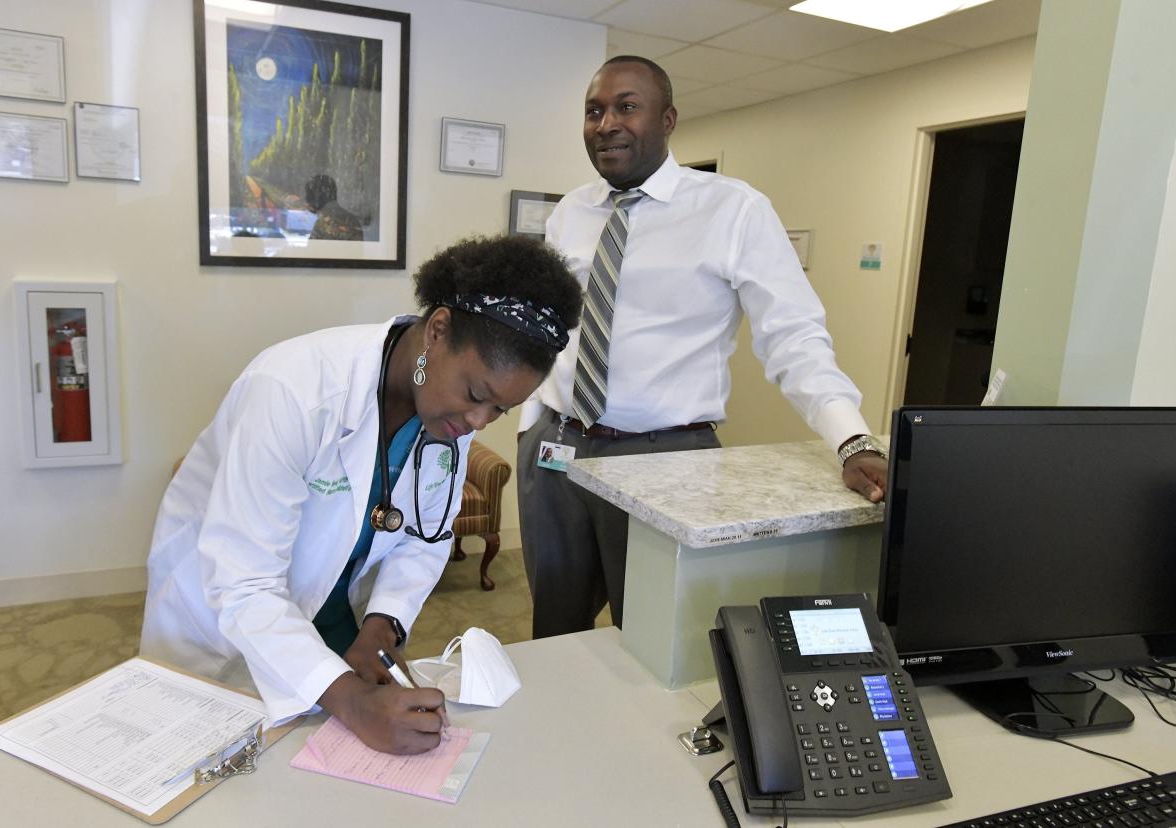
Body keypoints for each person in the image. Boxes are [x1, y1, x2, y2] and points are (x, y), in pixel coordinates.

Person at [141, 235, 582, 754]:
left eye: (499, 412)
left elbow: (427, 532)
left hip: (327, 614)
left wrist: (384, 622)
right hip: (216, 625)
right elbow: (244, 584)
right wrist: (351, 700)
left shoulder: (446, 416)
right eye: (476, 396)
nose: (476, 424)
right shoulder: (294, 391)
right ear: (438, 331)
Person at [516, 56, 889, 639]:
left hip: (667, 458)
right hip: (556, 449)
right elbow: (552, 325)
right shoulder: (572, 212)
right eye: (594, 111)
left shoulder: (734, 210)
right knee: (555, 626)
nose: (606, 123)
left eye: (626, 107)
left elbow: (793, 335)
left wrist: (852, 438)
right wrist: (531, 417)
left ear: (667, 120)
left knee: (649, 635)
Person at [305, 173, 364, 240]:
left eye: (309, 194)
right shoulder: (353, 220)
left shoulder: (323, 224)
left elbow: (312, 249)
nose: (307, 199)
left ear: (318, 194)